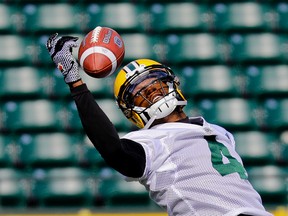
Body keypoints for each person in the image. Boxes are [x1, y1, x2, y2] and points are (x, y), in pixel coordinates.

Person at [46, 33, 273, 216]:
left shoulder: (220, 132)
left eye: (158, 85)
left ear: (174, 83)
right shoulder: (151, 142)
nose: (153, 93)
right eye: (141, 93)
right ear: (131, 111)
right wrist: (75, 82)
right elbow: (113, 150)